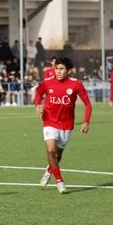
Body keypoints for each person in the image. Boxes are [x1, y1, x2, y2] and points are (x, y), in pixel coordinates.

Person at [34, 56, 92, 194]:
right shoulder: (47, 82)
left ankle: (49, 171)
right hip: (49, 121)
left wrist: (86, 121)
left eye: (61, 69)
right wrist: (38, 105)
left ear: (69, 71)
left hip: (66, 125)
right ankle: (60, 182)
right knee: (50, 151)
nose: (58, 72)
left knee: (57, 156)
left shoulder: (76, 84)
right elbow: (38, 92)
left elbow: (88, 104)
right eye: (56, 69)